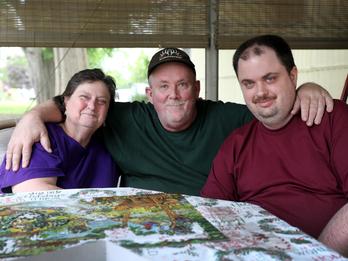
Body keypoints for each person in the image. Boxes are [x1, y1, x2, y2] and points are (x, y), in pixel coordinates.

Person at [5, 48, 333, 196]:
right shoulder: (122, 117)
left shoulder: (225, 116)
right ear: (150, 92)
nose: (173, 95)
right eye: (163, 86)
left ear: (197, 89)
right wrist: (31, 116)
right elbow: (73, 106)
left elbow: (271, 108)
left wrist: (305, 87)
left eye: (182, 85)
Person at [200, 35, 348, 255]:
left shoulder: (333, 119)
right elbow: (210, 215)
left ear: (293, 76)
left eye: (269, 78)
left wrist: (318, 254)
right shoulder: (236, 144)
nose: (260, 92)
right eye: (249, 83)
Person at [0, 68, 119, 192]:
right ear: (66, 101)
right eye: (84, 97)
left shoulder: (110, 144)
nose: (92, 106)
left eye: (101, 101)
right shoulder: (40, 135)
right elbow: (31, 193)